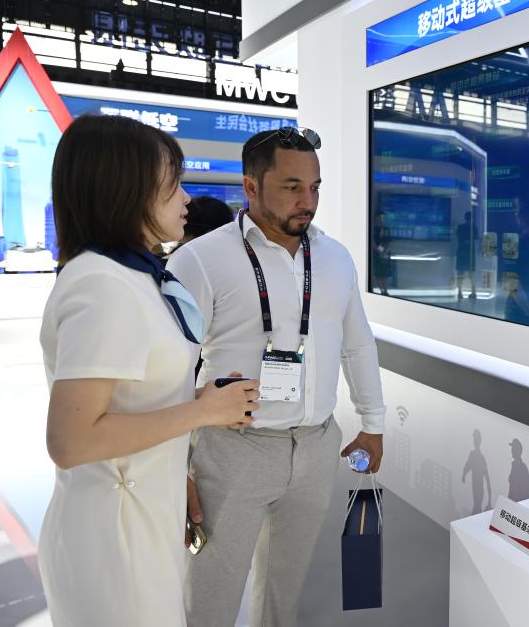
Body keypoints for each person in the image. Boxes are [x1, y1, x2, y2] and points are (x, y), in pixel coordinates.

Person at [38, 115, 259, 627]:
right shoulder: (102, 284)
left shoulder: (131, 275)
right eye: (172, 184)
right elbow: (71, 440)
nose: (187, 198)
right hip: (115, 537)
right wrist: (203, 412)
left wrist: (179, 450)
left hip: (140, 515)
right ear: (126, 190)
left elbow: (131, 400)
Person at [168, 127, 387, 627]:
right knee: (212, 593)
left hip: (315, 445)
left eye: (314, 187)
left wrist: (373, 423)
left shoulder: (335, 258)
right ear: (251, 186)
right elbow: (172, 368)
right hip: (233, 449)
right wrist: (176, 465)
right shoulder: (200, 260)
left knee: (284, 589)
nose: (307, 201)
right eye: (291, 187)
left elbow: (357, 343)